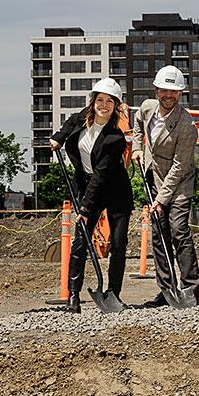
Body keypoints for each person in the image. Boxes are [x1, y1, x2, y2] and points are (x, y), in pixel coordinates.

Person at [50, 77, 133, 311]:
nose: (103, 105)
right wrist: (58, 138)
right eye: (100, 99)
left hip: (114, 191)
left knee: (118, 243)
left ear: (116, 105)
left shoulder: (115, 138)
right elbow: (68, 125)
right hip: (86, 185)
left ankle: (113, 293)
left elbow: (101, 176)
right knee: (81, 241)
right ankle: (73, 296)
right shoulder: (80, 119)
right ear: (93, 101)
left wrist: (85, 209)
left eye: (109, 101)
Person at [131, 65, 199, 306]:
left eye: (174, 91)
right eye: (164, 90)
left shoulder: (186, 125)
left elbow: (180, 166)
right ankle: (167, 289)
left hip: (179, 182)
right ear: (156, 90)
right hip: (154, 175)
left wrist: (161, 200)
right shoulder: (147, 108)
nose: (168, 95)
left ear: (181, 94)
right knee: (160, 236)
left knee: (178, 230)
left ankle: (191, 288)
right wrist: (137, 147)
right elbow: (137, 123)